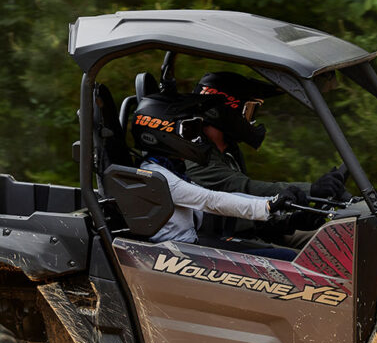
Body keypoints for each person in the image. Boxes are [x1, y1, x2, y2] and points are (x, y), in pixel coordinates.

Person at [130, 92, 303, 260]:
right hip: (181, 254)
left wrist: (273, 203)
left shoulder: (165, 170)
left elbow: (222, 198)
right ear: (161, 132)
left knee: (276, 253)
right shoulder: (159, 177)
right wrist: (267, 206)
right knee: (286, 257)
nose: (196, 138)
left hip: (189, 246)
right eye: (190, 130)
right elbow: (210, 200)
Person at [187, 71, 349, 243]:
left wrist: (294, 221)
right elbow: (244, 190)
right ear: (226, 109)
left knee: (334, 242)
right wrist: (312, 190)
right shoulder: (194, 154)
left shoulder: (229, 151)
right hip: (219, 243)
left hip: (247, 233)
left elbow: (247, 209)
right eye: (249, 110)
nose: (251, 120)